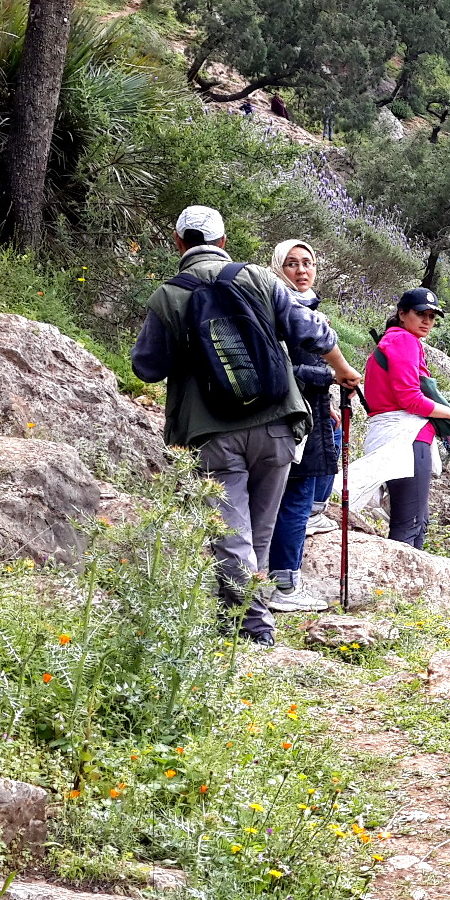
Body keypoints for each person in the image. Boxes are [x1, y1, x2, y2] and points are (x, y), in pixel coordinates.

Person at [131, 206, 359, 644]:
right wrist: (343, 369)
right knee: (259, 529)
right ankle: (236, 618)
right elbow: (312, 331)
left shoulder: (168, 296)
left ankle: (252, 625)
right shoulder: (257, 277)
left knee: (230, 532)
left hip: (211, 431)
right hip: (277, 423)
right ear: (222, 242)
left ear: (179, 243)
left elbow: (146, 367)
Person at [351, 288, 450, 550]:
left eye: (432, 316)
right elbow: (409, 398)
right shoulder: (404, 341)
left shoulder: (392, 340)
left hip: (391, 433)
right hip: (406, 438)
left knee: (413, 520)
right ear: (402, 314)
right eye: (420, 314)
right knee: (411, 522)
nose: (427, 321)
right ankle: (401, 588)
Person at [263, 239, 346, 612]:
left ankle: (274, 576)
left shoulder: (304, 305)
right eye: (292, 263)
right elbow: (283, 368)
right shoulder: (280, 310)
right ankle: (284, 585)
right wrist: (329, 374)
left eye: (307, 263)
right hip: (293, 416)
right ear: (279, 267)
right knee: (295, 499)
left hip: (309, 410)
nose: (301, 270)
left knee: (292, 497)